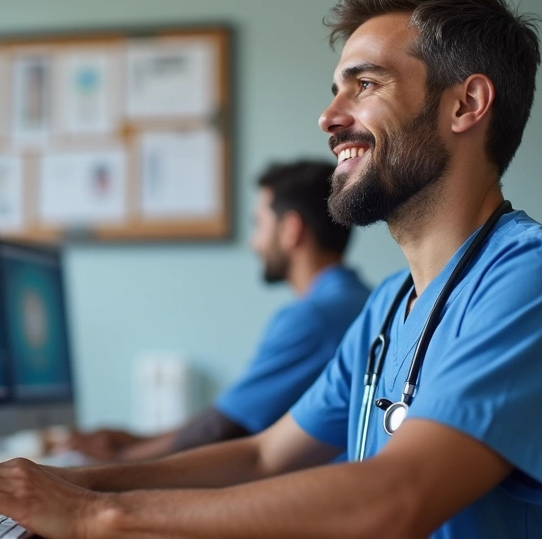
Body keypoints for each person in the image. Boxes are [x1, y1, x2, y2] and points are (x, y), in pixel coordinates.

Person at [0, 0, 542, 538]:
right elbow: (263, 455)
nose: (329, 118)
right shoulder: (390, 304)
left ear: (465, 105)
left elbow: (396, 502)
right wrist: (65, 483)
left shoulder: (539, 284)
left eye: (365, 83)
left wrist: (92, 518)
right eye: (334, 90)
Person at [64, 160, 370, 461]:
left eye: (258, 225)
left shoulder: (312, 320)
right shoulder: (363, 301)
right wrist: (142, 439)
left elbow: (222, 429)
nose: (254, 242)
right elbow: (230, 411)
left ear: (290, 230)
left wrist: (121, 458)